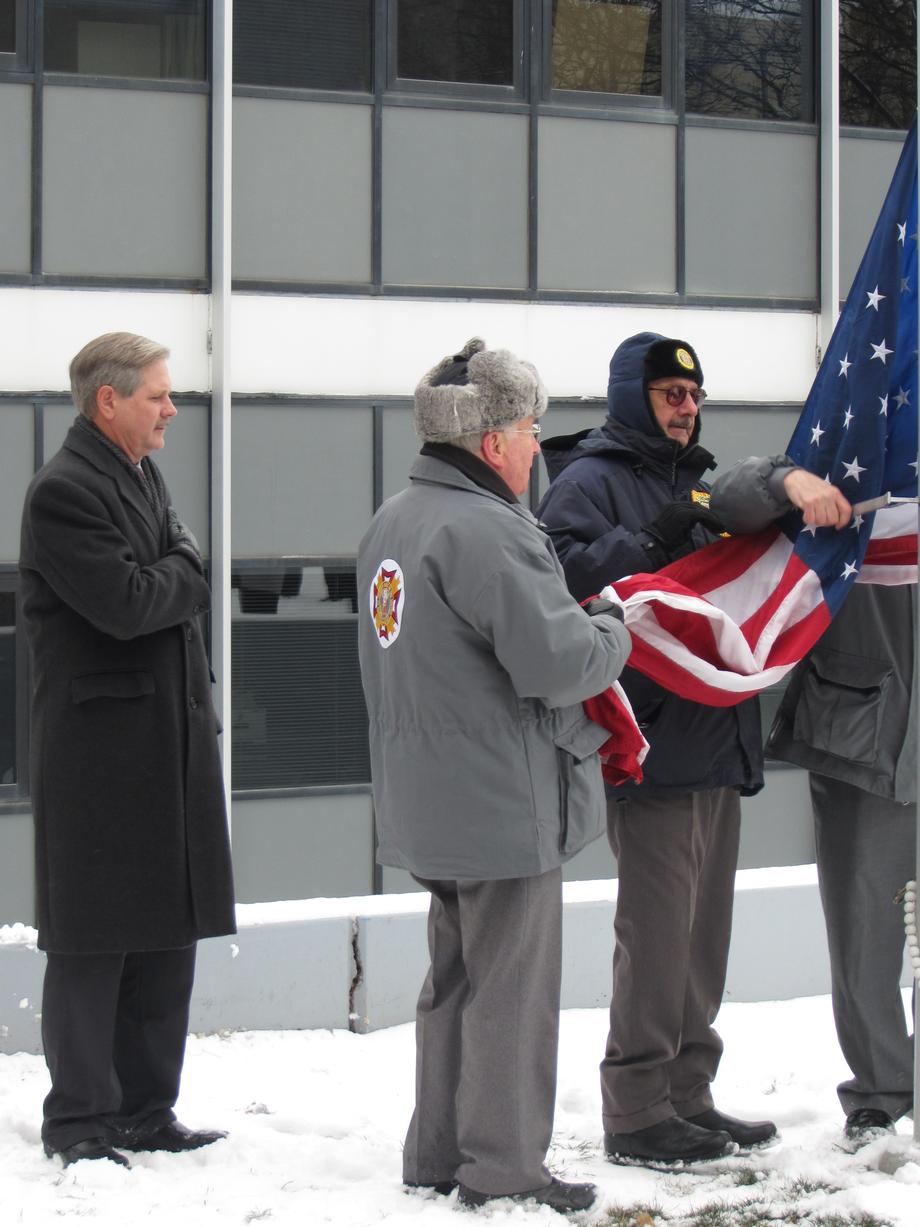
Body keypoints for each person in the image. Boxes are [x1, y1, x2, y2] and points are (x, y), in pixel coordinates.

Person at [536, 331, 849, 1166]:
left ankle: (687, 1092)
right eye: (671, 393)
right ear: (632, 394)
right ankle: (636, 1109)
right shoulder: (586, 479)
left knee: (702, 937)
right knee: (658, 934)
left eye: (695, 394)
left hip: (714, 737)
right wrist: (654, 537)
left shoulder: (707, 479)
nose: (687, 407)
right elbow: (561, 580)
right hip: (647, 743)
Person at [357, 337, 632, 1212]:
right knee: (511, 993)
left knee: (456, 984)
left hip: (430, 800)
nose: (537, 445)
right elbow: (560, 663)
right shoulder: (486, 529)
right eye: (529, 427)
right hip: (500, 803)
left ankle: (438, 1151)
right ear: (490, 443)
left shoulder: (394, 518)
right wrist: (616, 628)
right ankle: (505, 1168)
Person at [19, 332, 236, 1168]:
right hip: (102, 757)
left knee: (163, 935)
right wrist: (185, 566)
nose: (171, 409)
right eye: (157, 395)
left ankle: (147, 1108)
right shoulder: (64, 492)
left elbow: (170, 574)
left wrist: (177, 566)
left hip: (164, 744)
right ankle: (80, 1119)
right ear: (107, 400)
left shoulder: (138, 475)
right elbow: (129, 600)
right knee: (94, 940)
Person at [713, 459, 914, 1148]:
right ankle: (883, 1093)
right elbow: (727, 497)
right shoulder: (846, 445)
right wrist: (788, 481)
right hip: (863, 734)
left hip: (873, 728)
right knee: (865, 930)